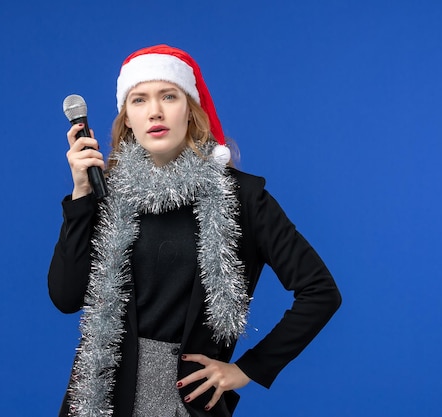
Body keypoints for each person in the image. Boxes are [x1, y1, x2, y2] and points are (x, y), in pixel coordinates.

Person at [48, 44, 342, 417]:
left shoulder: (242, 198)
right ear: (128, 121)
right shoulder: (109, 195)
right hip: (102, 400)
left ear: (190, 110)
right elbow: (65, 297)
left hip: (186, 403)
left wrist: (249, 368)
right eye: (139, 100)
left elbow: (320, 291)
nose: (155, 111)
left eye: (168, 96)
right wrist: (81, 197)